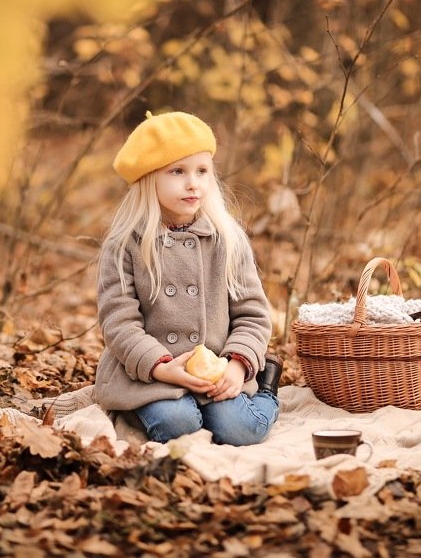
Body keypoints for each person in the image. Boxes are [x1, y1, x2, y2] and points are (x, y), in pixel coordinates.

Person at [93, 110, 282, 446]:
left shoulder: (226, 239)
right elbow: (118, 322)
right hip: (152, 373)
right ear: (149, 178)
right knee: (177, 423)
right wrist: (160, 367)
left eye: (202, 171)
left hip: (218, 369)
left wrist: (237, 365)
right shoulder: (125, 245)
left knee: (240, 428)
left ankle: (267, 387)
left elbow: (253, 314)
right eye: (177, 171)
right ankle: (140, 407)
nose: (193, 183)